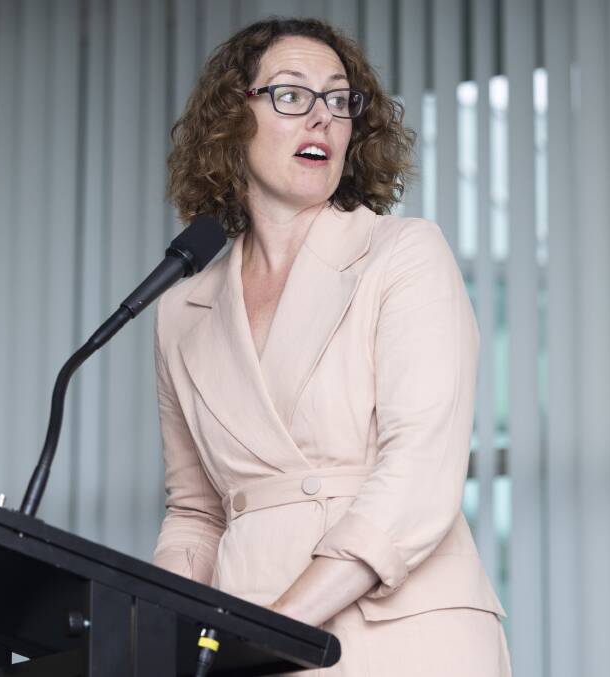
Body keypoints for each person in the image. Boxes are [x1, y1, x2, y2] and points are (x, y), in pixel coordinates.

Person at [152, 17, 512, 676]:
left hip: (398, 625)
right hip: (248, 631)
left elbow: (418, 475)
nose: (321, 116)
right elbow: (196, 512)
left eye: (339, 99)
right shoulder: (181, 307)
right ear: (233, 121)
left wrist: (268, 624)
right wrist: (155, 637)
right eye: (291, 95)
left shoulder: (403, 252)